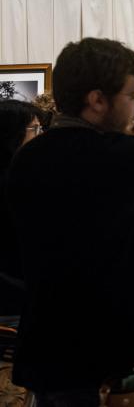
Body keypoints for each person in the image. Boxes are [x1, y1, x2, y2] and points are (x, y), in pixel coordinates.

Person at [6, 38, 134, 406]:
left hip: (49, 355)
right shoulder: (114, 158)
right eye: (133, 97)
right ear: (97, 100)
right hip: (103, 365)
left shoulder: (29, 158)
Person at [0, 100, 44, 318]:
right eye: (35, 129)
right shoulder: (14, 184)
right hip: (14, 304)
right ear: (12, 134)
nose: (41, 136)